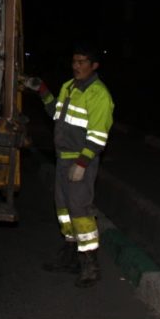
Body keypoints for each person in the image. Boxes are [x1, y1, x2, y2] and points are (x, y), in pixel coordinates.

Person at [24, 44, 114, 287]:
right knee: (64, 209)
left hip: (80, 160)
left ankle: (90, 266)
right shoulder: (69, 87)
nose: (76, 66)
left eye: (82, 62)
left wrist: (82, 163)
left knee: (80, 210)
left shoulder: (98, 94)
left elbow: (98, 135)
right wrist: (42, 90)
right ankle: (71, 257)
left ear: (94, 66)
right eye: (74, 61)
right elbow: (57, 114)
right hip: (63, 159)